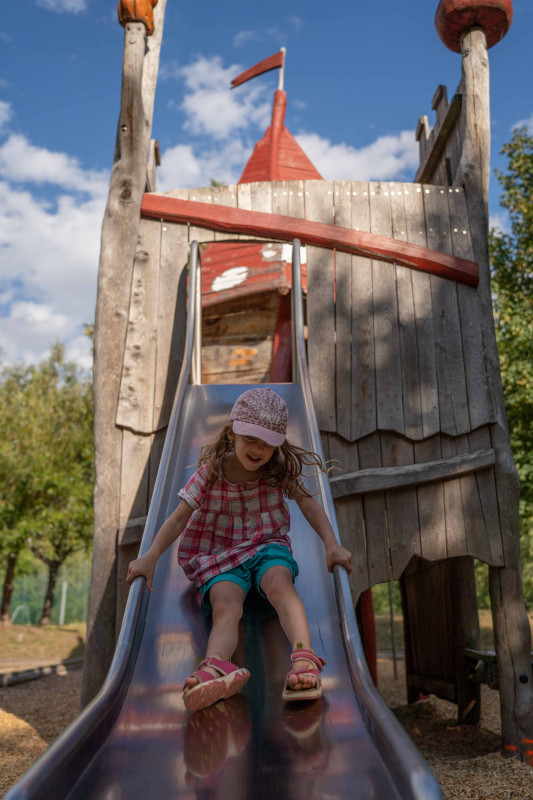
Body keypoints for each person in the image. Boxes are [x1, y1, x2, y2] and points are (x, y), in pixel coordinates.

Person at [126, 387, 352, 712]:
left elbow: (309, 505)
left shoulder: (277, 470)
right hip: (220, 556)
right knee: (225, 605)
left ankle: (304, 657)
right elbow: (177, 519)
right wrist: (150, 557)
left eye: (267, 443)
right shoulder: (210, 474)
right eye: (250, 439)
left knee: (280, 584)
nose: (258, 449)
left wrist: (332, 545)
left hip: (267, 545)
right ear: (233, 432)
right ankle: (217, 665)